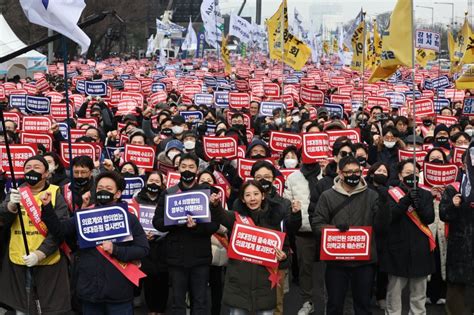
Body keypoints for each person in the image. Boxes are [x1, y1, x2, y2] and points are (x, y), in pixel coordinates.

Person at [40, 171, 150, 315]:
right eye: (99, 188)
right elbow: (60, 230)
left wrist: (116, 250)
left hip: (119, 293)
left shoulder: (129, 218)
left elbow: (143, 249)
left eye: (109, 189)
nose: (103, 191)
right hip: (90, 291)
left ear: (118, 194)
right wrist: (47, 207)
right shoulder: (85, 215)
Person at [311, 155, 389, 315]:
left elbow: (382, 227)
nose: (353, 175)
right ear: (340, 173)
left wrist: (384, 204)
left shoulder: (372, 195)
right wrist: (332, 230)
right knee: (335, 305)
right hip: (336, 262)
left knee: (363, 306)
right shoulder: (327, 196)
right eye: (349, 172)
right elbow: (317, 224)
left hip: (364, 262)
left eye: (357, 171)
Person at [0, 155, 71, 314]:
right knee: (23, 305)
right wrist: (10, 206)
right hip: (18, 258)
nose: (31, 170)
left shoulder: (55, 194)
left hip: (47, 261)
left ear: (46, 173)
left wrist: (40, 253)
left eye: (37, 167)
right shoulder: (16, 193)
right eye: (27, 167)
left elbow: (59, 230)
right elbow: (2, 220)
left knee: (47, 306)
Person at [153, 153, 219, 315]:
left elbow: (214, 225)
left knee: (200, 302)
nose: (187, 170)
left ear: (197, 170)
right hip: (176, 258)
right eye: (184, 167)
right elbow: (157, 223)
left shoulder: (207, 193)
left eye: (191, 167)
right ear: (178, 169)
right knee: (177, 302)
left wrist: (196, 226)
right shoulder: (169, 193)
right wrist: (174, 221)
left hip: (200, 257)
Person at [210, 180, 290, 315]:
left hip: (265, 284)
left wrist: (283, 256)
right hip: (238, 284)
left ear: (263, 196)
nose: (252, 198)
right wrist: (215, 205)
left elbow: (285, 248)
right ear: (242, 199)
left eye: (256, 194)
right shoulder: (236, 218)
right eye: (247, 195)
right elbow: (220, 215)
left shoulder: (274, 220)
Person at [382, 160, 435, 315]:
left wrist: (418, 204)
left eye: (415, 173)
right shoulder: (391, 193)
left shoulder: (425, 194)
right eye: (407, 173)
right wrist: (405, 201)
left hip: (420, 249)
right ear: (400, 175)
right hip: (397, 248)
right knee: (394, 292)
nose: (412, 175)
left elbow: (429, 218)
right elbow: (389, 217)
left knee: (419, 293)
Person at [440, 143, 474, 314]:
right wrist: (453, 206)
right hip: (459, 250)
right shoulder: (453, 188)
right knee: (457, 301)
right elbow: (443, 215)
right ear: (463, 164)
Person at [134, 171, 169, 315]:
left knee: (162, 279)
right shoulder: (137, 198)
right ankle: (150, 309)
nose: (153, 183)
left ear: (162, 184)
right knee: (148, 278)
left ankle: (160, 310)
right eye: (151, 180)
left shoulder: (167, 198)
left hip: (162, 245)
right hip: (145, 245)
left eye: (157, 181)